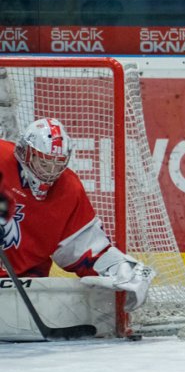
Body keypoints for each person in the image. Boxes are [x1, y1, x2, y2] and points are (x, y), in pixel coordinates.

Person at [0, 117, 155, 313]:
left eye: (57, 164)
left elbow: (84, 248)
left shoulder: (68, 190)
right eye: (44, 163)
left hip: (23, 288)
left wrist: (118, 267)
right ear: (26, 153)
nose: (50, 172)